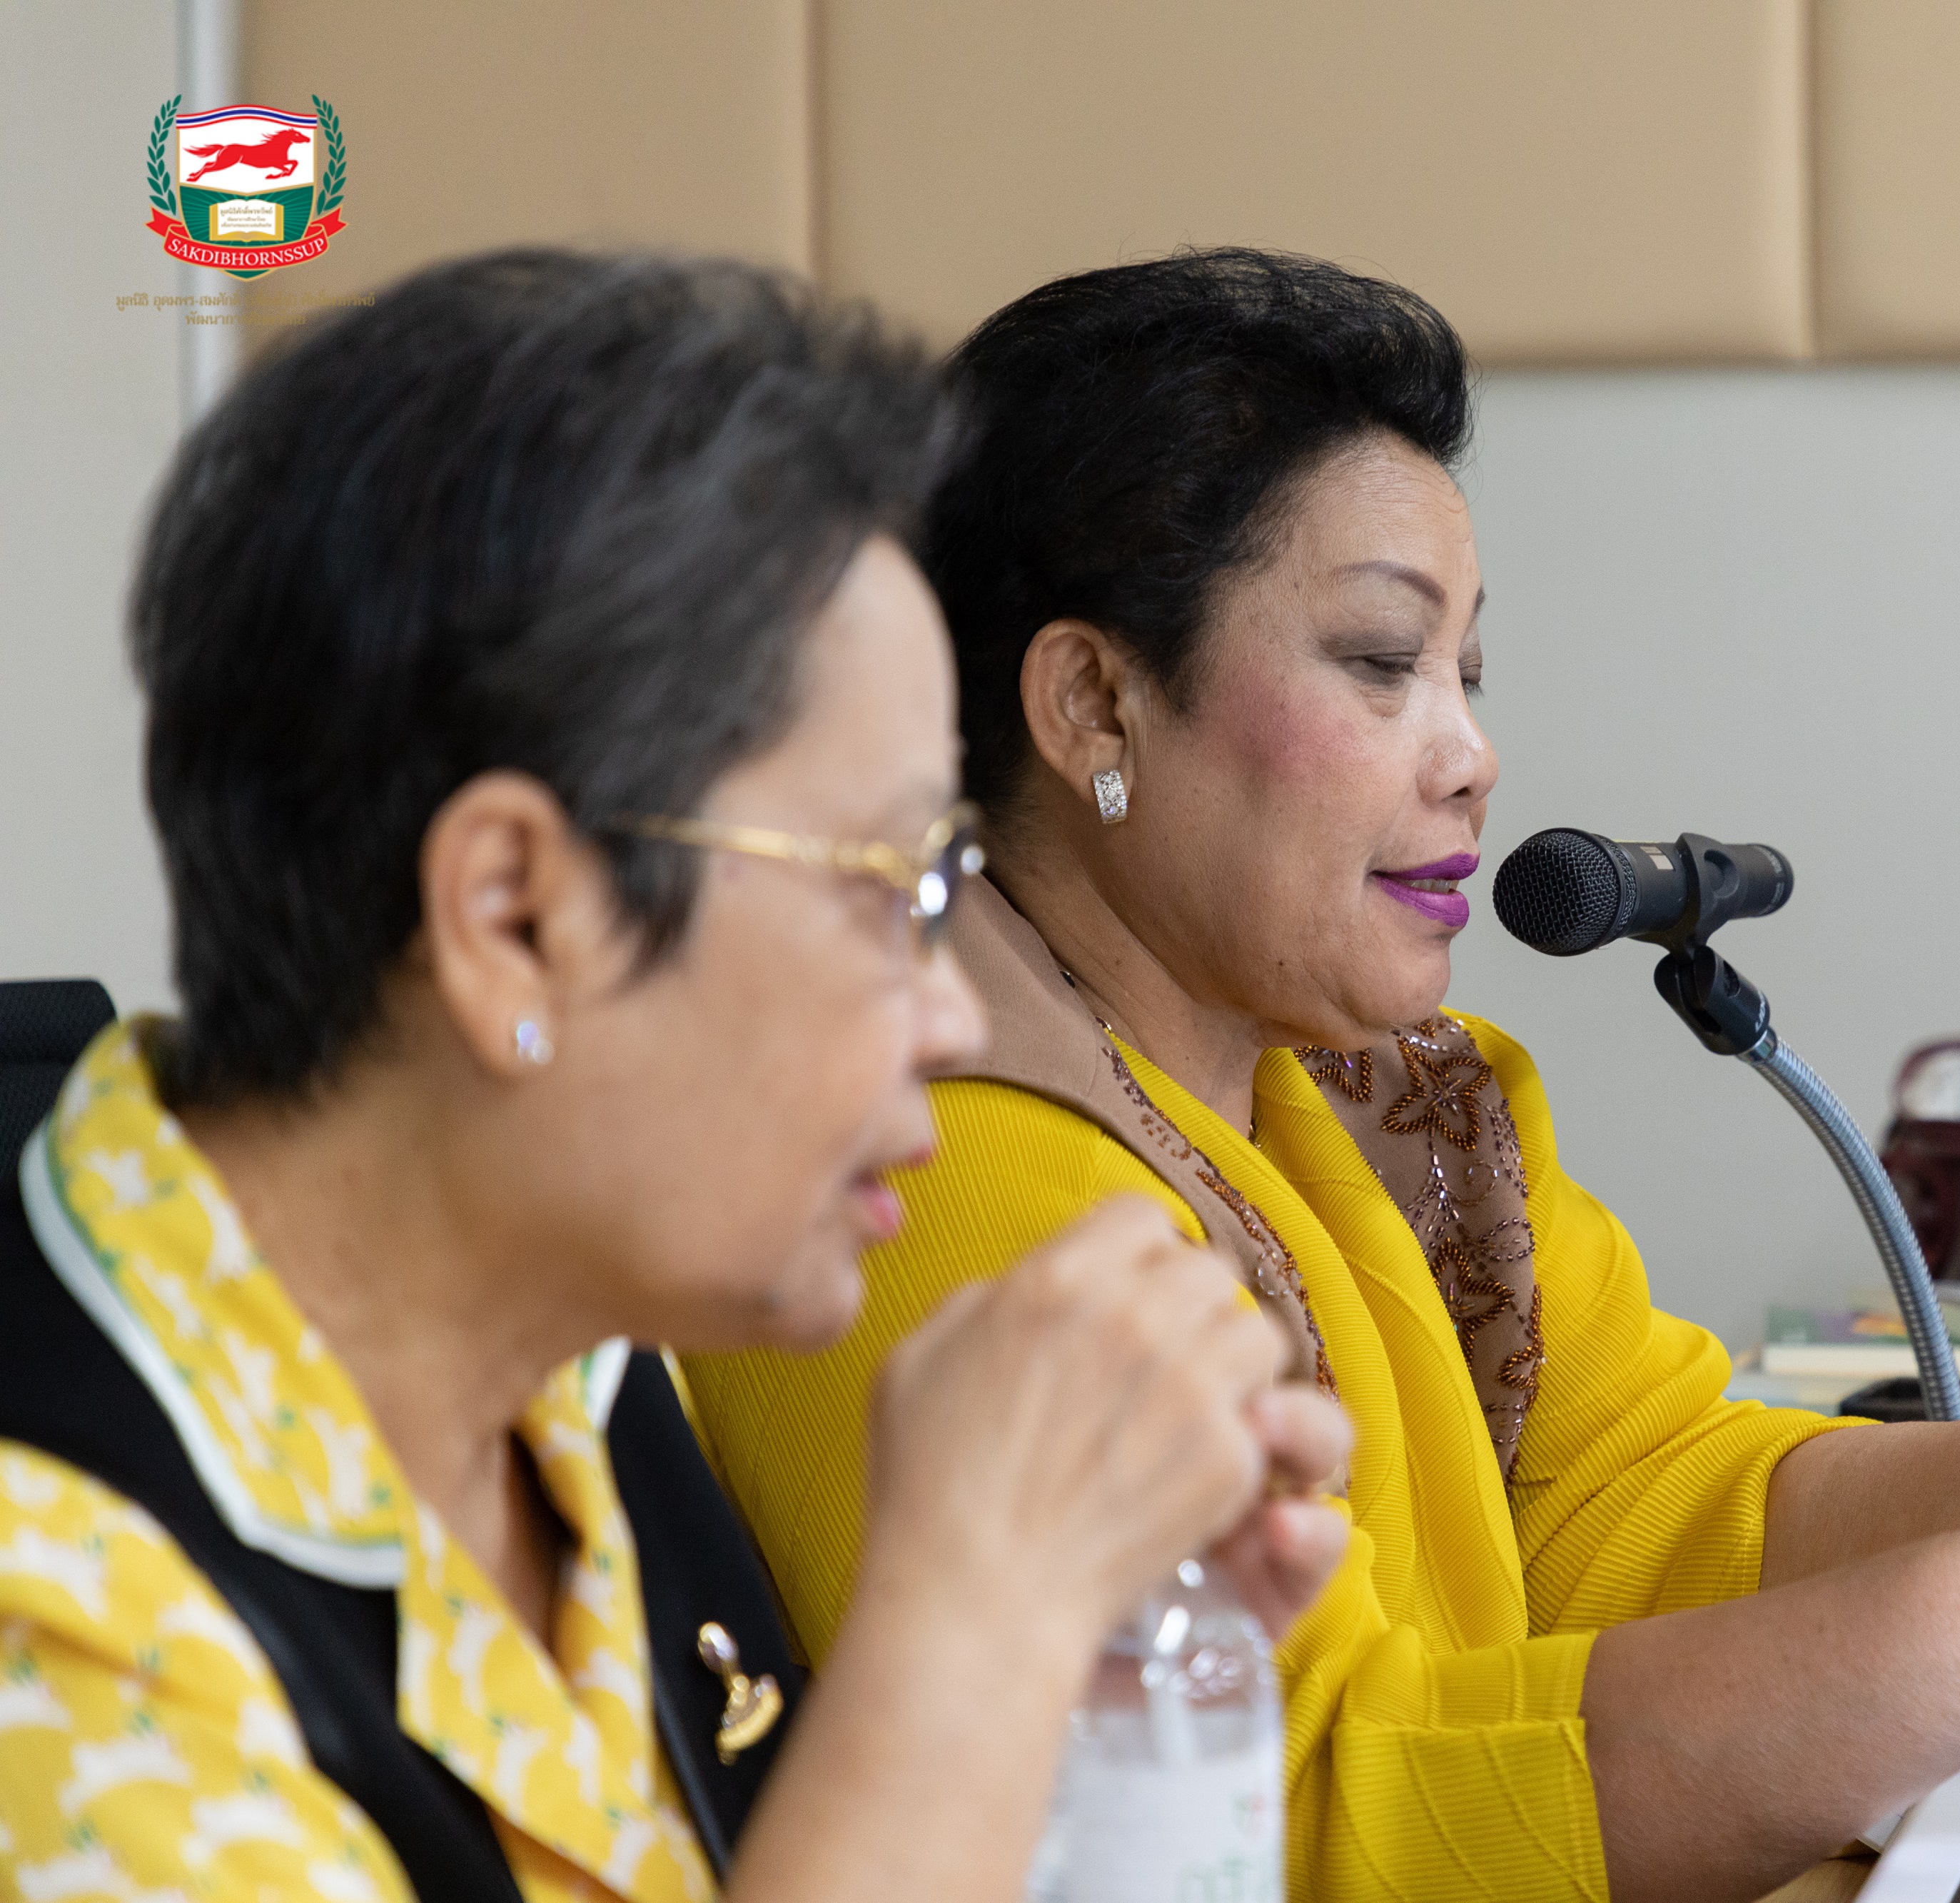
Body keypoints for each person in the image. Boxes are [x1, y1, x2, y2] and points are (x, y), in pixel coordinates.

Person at [680, 248, 1960, 1903]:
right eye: (1381, 662)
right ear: (1092, 706)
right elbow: (1298, 1815)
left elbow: (1642, 1501)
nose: (1472, 756)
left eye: (1470, 672)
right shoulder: (941, 1170)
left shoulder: (1380, 1093)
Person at [0, 249, 1348, 1903]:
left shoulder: (583, 1377)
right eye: (888, 887)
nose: (949, 1013)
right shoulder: (53, 1630)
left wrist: (1082, 1710)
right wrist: (973, 1621)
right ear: (515, 919)